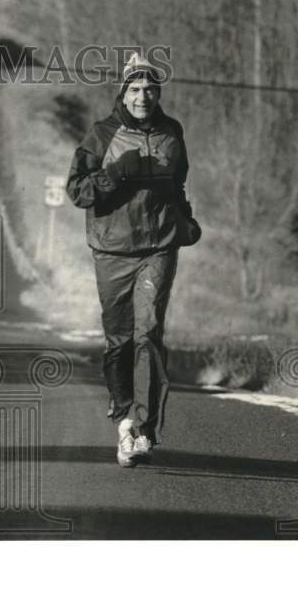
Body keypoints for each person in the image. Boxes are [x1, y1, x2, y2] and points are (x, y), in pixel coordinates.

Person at [66, 53, 200, 467]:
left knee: (150, 332)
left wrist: (185, 218)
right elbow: (77, 192)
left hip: (159, 247)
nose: (143, 97)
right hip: (112, 250)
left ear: (159, 93)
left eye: (150, 90)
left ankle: (143, 429)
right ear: (123, 93)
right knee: (119, 340)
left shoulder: (172, 132)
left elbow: (178, 183)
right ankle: (124, 417)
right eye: (136, 89)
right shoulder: (102, 134)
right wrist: (113, 175)